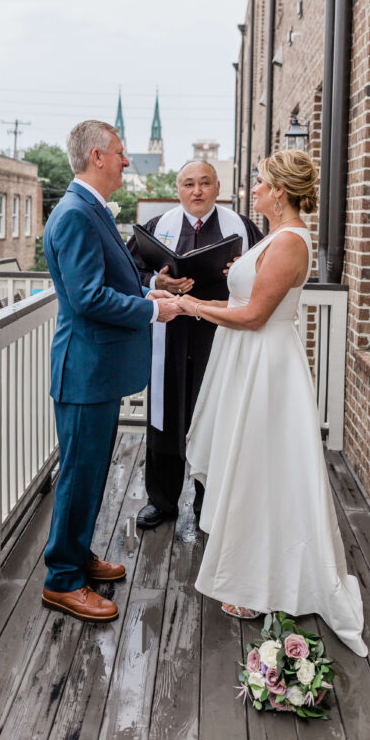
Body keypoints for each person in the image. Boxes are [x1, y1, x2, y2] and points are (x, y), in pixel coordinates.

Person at [179, 150, 367, 656]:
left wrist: (191, 306)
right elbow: (243, 304)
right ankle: (254, 566)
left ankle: (259, 579)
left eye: (260, 182)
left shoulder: (288, 242)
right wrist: (188, 303)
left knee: (263, 466)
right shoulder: (274, 238)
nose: (254, 188)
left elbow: (255, 316)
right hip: (251, 361)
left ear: (280, 191)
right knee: (251, 463)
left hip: (267, 366)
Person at [41, 120, 180, 623]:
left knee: (93, 471)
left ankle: (77, 555)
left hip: (96, 369)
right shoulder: (76, 214)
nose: (127, 161)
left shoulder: (90, 209)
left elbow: (110, 280)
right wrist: (151, 312)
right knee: (79, 476)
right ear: (97, 156)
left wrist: (147, 292)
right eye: (120, 153)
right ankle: (61, 579)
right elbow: (87, 297)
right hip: (84, 370)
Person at [127, 161, 262, 530]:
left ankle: (209, 503)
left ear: (217, 186)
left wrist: (239, 270)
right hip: (168, 334)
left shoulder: (242, 229)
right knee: (165, 415)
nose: (197, 191)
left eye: (205, 183)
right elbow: (129, 271)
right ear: (178, 188)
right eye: (189, 184)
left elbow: (265, 273)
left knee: (215, 414)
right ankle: (162, 501)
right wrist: (158, 279)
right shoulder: (158, 228)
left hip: (217, 335)